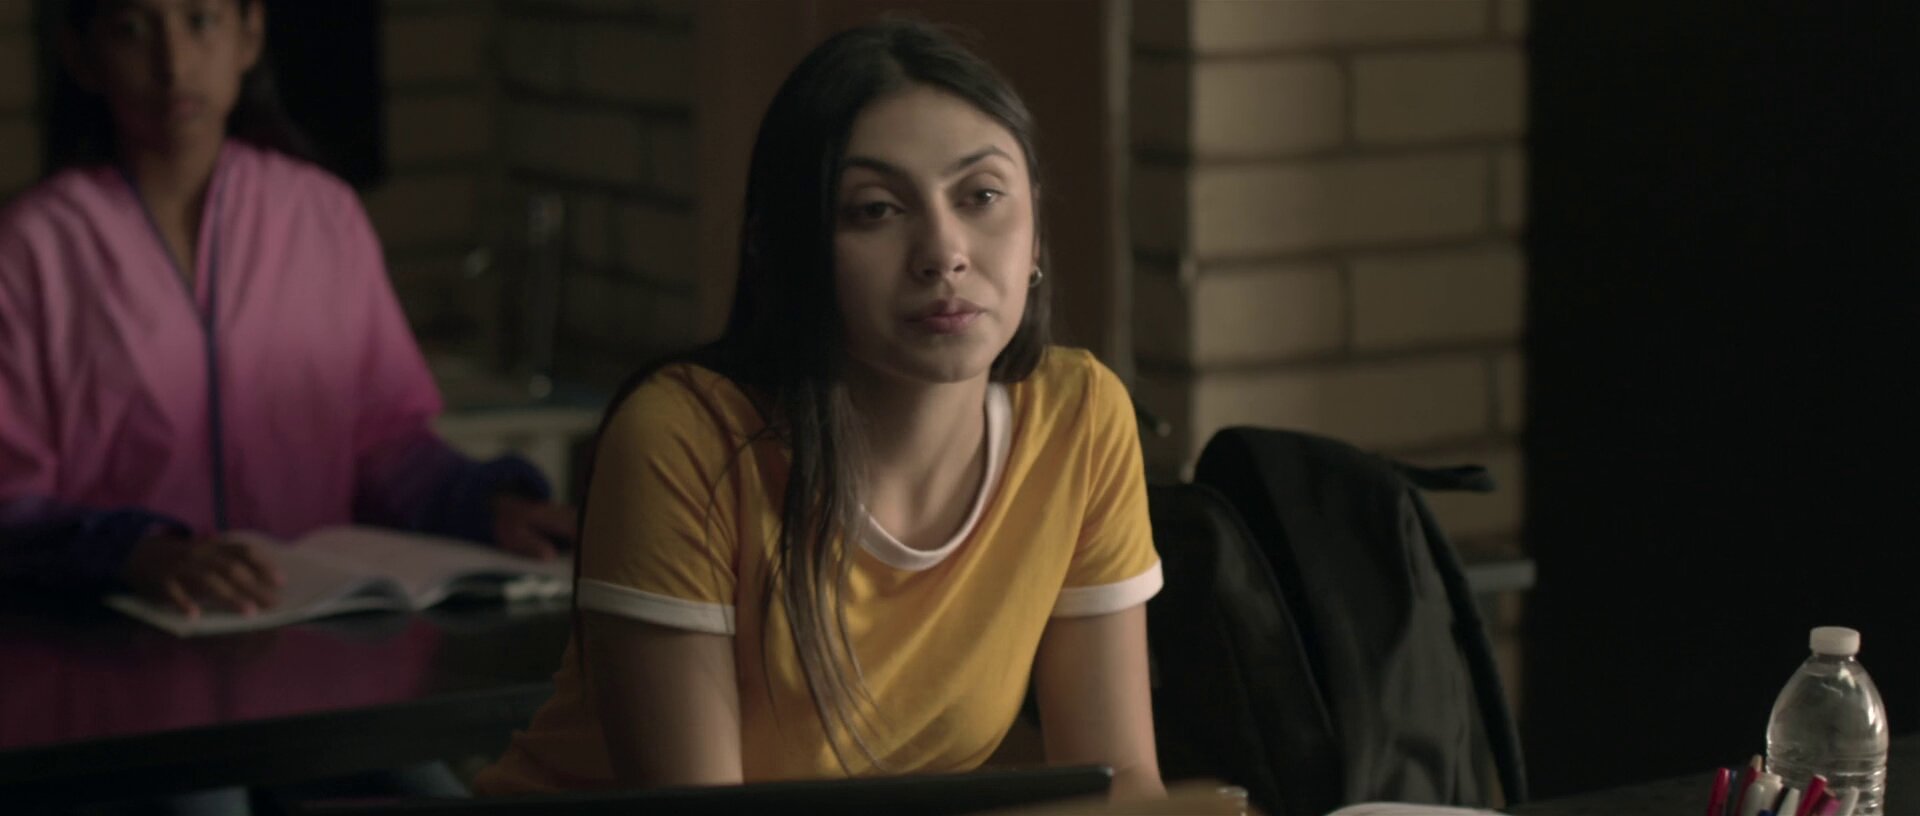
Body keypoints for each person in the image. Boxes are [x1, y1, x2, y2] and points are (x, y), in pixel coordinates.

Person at [473, 20, 1166, 800]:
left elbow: (1121, 784)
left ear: (1034, 231)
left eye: (981, 196)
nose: (945, 252)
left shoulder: (1079, 418)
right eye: (875, 210)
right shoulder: (686, 440)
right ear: (785, 248)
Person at [0, 0, 577, 622]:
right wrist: (135, 551)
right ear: (80, 56)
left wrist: (484, 505)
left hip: (312, 622)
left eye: (202, 21)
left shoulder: (322, 215)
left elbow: (383, 440)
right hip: (117, 637)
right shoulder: (33, 248)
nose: (174, 65)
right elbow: (11, 496)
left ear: (249, 33)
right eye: (131, 29)